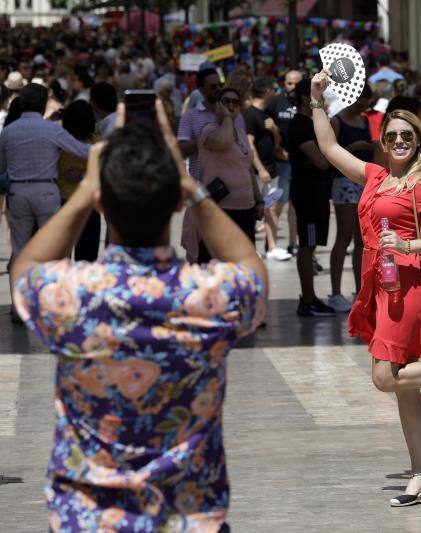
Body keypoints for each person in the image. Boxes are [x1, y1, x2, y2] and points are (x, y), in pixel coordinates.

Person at [10, 101, 267, 531]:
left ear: (101, 204)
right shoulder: (207, 296)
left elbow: (24, 272)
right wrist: (192, 186)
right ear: (174, 206)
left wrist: (88, 190)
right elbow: (251, 268)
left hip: (89, 519)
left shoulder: (72, 296)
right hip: (190, 518)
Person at [311, 68, 421, 507]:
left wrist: (410, 242)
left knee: (385, 378)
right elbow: (327, 146)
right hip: (379, 285)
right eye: (393, 136)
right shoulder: (376, 177)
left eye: (407, 137)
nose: (399, 142)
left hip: (408, 287)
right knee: (404, 387)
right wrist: (317, 98)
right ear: (384, 140)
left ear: (419, 142)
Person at [0, 83, 90, 322]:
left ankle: (19, 308)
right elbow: (82, 151)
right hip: (47, 192)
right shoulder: (50, 129)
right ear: (42, 105)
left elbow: (1, 167)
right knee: (55, 250)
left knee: (20, 250)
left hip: (18, 193)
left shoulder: (8, 131)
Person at [177, 68, 247, 263]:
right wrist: (206, 139)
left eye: (220, 85)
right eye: (212, 86)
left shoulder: (236, 115)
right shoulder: (190, 117)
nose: (218, 89)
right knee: (205, 254)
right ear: (200, 88)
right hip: (204, 191)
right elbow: (181, 149)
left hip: (234, 195)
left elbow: (243, 151)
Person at [286, 79, 336, 316]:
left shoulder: (310, 123)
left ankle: (309, 298)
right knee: (307, 245)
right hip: (307, 194)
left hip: (316, 193)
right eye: (319, 94)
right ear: (307, 98)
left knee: (311, 245)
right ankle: (308, 299)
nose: (324, 99)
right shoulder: (300, 125)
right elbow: (322, 161)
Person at [197, 88, 264, 264]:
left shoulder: (240, 133)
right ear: (218, 106)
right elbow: (222, 142)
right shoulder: (209, 130)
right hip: (221, 208)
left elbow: (247, 168)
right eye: (226, 102)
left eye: (235, 102)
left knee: (244, 264)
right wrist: (226, 118)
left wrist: (259, 200)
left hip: (246, 209)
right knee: (216, 263)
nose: (232, 105)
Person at [328, 85, 375, 312]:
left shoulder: (365, 121)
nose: (363, 108)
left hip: (363, 181)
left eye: (366, 105)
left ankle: (361, 289)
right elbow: (329, 152)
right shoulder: (337, 121)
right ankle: (336, 292)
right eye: (360, 104)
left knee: (362, 240)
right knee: (344, 236)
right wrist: (354, 147)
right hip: (344, 182)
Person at [243, 76, 292, 262]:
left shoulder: (267, 116)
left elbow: (276, 142)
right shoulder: (249, 115)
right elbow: (249, 145)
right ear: (266, 92)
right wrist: (260, 169)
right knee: (252, 210)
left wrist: (274, 130)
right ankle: (251, 248)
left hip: (271, 170)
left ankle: (272, 247)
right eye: (273, 90)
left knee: (271, 208)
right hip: (257, 173)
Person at [57, 100, 101, 261]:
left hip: (63, 203)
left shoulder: (58, 141)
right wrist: (83, 175)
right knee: (87, 260)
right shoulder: (97, 142)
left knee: (61, 258)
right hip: (89, 205)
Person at [266, 70, 301, 255]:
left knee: (295, 205)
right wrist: (275, 148)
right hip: (279, 162)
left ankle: (293, 242)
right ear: (284, 84)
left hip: (299, 161)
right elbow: (265, 127)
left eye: (296, 83)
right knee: (276, 203)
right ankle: (270, 242)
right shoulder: (275, 102)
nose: (292, 87)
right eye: (289, 83)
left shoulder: (305, 102)